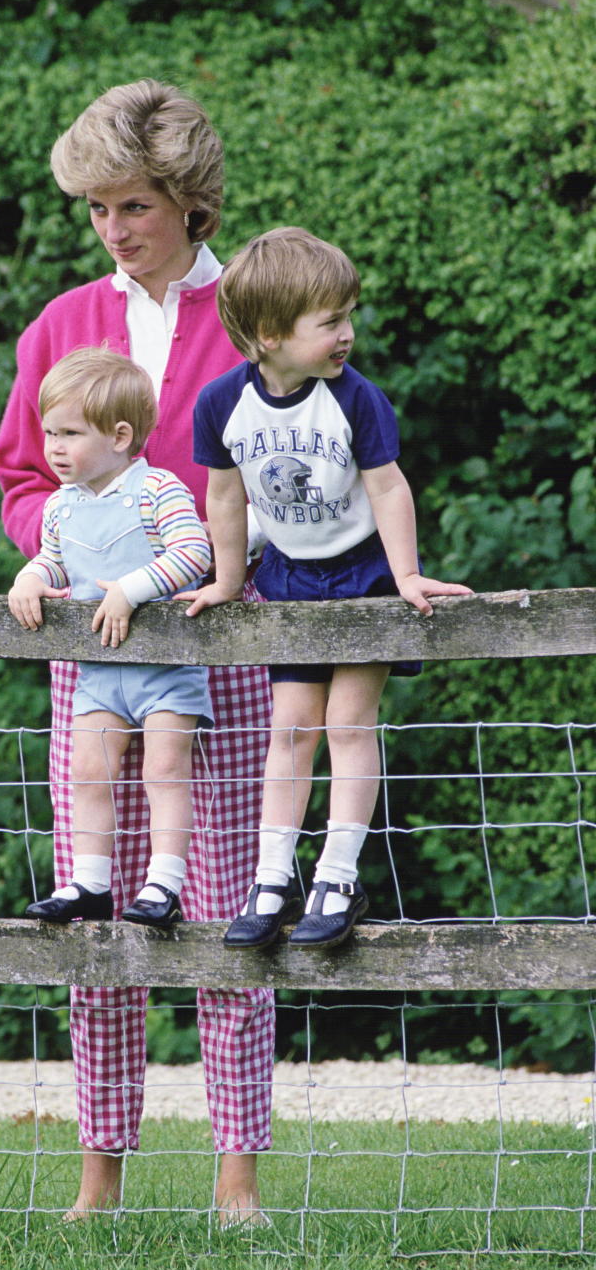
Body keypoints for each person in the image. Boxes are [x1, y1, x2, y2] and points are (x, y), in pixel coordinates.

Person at [0, 80, 275, 1227]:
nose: (113, 227)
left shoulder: (257, 311)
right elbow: (21, 475)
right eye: (98, 206)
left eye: (133, 203)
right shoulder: (62, 325)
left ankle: (237, 1185)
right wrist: (57, 556)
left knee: (224, 916)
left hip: (233, 651)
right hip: (99, 660)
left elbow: (308, 457)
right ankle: (98, 1178)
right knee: (100, 913)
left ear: (189, 201)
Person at [184, 227, 472, 949]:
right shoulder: (222, 405)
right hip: (287, 577)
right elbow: (224, 499)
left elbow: (388, 486)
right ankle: (272, 875)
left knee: (347, 722)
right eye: (330, 322)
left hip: (362, 571)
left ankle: (338, 874)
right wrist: (225, 578)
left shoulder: (356, 399)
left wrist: (404, 574)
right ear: (270, 335)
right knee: (289, 730)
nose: (348, 333)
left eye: (349, 315)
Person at [8, 347, 213, 927]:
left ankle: (163, 885)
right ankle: (90, 884)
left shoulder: (159, 490)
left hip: (165, 672)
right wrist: (29, 577)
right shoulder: (59, 508)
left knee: (164, 772)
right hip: (99, 675)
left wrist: (132, 587)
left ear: (121, 435)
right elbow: (54, 563)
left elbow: (195, 553)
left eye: (69, 433)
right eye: (48, 432)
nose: (53, 448)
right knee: (88, 773)